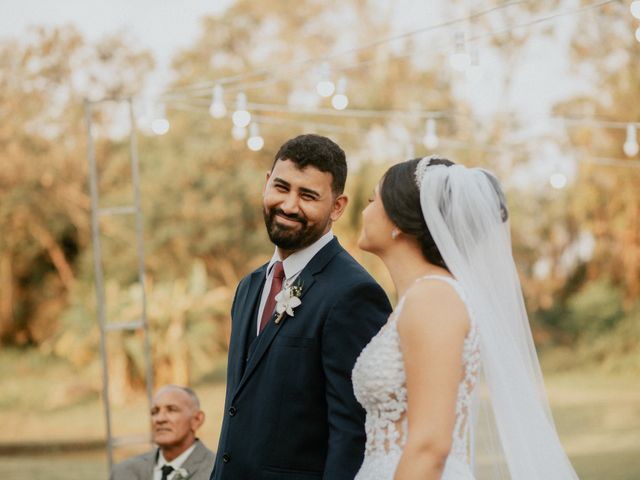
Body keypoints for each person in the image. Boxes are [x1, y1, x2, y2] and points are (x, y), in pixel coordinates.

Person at [352, 156, 579, 479]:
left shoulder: (434, 298)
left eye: (372, 200)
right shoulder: (418, 299)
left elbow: (431, 445)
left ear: (398, 221)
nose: (364, 211)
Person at [210, 134, 392, 480]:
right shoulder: (248, 288)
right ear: (267, 184)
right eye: (282, 187)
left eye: (308, 196)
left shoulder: (354, 294)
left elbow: (354, 435)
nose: (289, 205)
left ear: (337, 207)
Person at [111, 385, 215, 480]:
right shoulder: (124, 472)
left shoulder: (218, 471)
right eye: (154, 412)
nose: (160, 419)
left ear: (196, 419)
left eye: (172, 410)